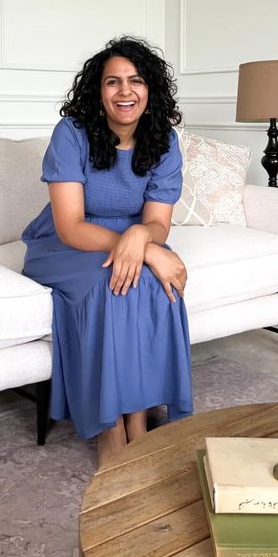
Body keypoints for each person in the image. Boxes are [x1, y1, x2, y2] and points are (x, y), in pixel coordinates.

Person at [22, 36, 193, 465]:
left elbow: (157, 223)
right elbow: (70, 226)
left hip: (131, 237)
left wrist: (142, 240)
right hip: (65, 244)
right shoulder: (72, 134)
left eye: (136, 81)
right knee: (111, 284)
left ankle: (138, 418)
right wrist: (142, 248)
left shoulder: (164, 140)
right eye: (113, 82)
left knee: (159, 286)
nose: (125, 91)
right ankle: (110, 427)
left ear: (150, 90)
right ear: (97, 91)